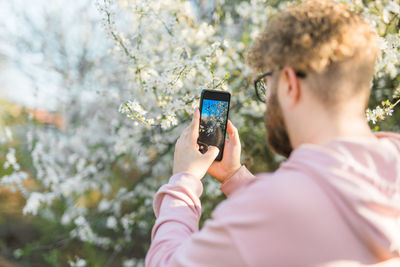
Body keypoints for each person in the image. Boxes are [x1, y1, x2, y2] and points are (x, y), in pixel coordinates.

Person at [145, 0, 400, 266]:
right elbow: (317, 207)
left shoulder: (271, 208)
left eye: (267, 86)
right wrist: (235, 177)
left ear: (289, 84)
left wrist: (183, 181)